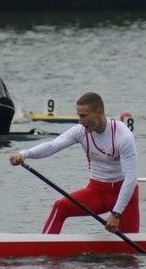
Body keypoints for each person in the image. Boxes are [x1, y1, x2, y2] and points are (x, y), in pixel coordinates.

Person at [9, 92, 139, 234]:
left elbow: (130, 178)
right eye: (78, 115)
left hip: (123, 195)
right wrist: (24, 154)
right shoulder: (80, 131)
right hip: (96, 192)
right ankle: (45, 248)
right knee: (61, 207)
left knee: (130, 249)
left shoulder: (123, 136)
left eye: (84, 116)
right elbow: (52, 146)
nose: (80, 121)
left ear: (99, 112)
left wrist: (116, 214)